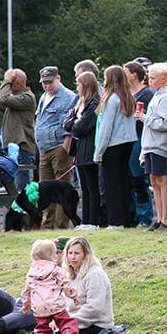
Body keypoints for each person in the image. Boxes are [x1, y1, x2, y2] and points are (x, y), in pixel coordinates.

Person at [16, 238, 85, 334]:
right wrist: (73, 296)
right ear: (52, 255)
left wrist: (26, 304)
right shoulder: (55, 269)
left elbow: (27, 290)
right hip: (55, 304)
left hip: (39, 307)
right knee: (67, 322)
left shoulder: (31, 272)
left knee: (42, 327)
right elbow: (65, 284)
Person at [94, 65, 138, 230]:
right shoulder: (127, 97)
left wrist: (98, 153)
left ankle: (115, 221)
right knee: (123, 183)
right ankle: (126, 219)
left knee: (111, 185)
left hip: (112, 145)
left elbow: (106, 129)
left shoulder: (110, 99)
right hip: (127, 144)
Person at [34, 66, 78, 228]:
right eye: (44, 82)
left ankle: (61, 225)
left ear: (58, 79)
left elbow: (71, 123)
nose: (46, 85)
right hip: (44, 148)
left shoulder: (69, 97)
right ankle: (47, 223)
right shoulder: (44, 97)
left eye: (50, 82)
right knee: (44, 189)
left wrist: (66, 145)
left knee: (61, 188)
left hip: (59, 147)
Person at [139, 62, 167, 231]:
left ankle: (165, 219)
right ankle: (159, 217)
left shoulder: (165, 98)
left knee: (161, 180)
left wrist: (144, 118)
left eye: (153, 78)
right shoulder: (156, 96)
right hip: (150, 145)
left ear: (164, 79)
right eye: (149, 77)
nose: (150, 81)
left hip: (159, 145)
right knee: (154, 180)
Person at [64, 71, 103, 230]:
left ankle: (93, 221)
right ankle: (86, 221)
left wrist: (73, 122)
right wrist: (73, 122)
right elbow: (67, 123)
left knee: (92, 187)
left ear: (85, 85)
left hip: (90, 148)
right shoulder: (80, 102)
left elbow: (82, 127)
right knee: (85, 188)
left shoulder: (94, 103)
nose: (77, 87)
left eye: (79, 84)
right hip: (80, 150)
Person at [63, 237, 115, 334]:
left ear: (86, 255)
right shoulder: (70, 275)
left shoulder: (95, 274)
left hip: (95, 324)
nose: (72, 257)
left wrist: (69, 322)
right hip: (72, 321)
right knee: (44, 330)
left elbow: (95, 308)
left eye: (77, 253)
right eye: (70, 253)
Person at [125, 60, 155, 227]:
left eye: (126, 72)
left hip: (140, 139)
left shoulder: (147, 95)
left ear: (134, 75)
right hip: (127, 141)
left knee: (139, 180)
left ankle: (145, 216)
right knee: (129, 180)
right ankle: (133, 215)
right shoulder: (126, 94)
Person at [0, 68, 38, 190]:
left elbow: (2, 99)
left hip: (22, 149)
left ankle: (24, 209)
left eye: (9, 83)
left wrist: (7, 80)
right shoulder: (16, 98)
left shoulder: (27, 98)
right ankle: (17, 209)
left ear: (18, 84)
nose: (7, 86)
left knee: (21, 190)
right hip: (14, 149)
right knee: (12, 190)